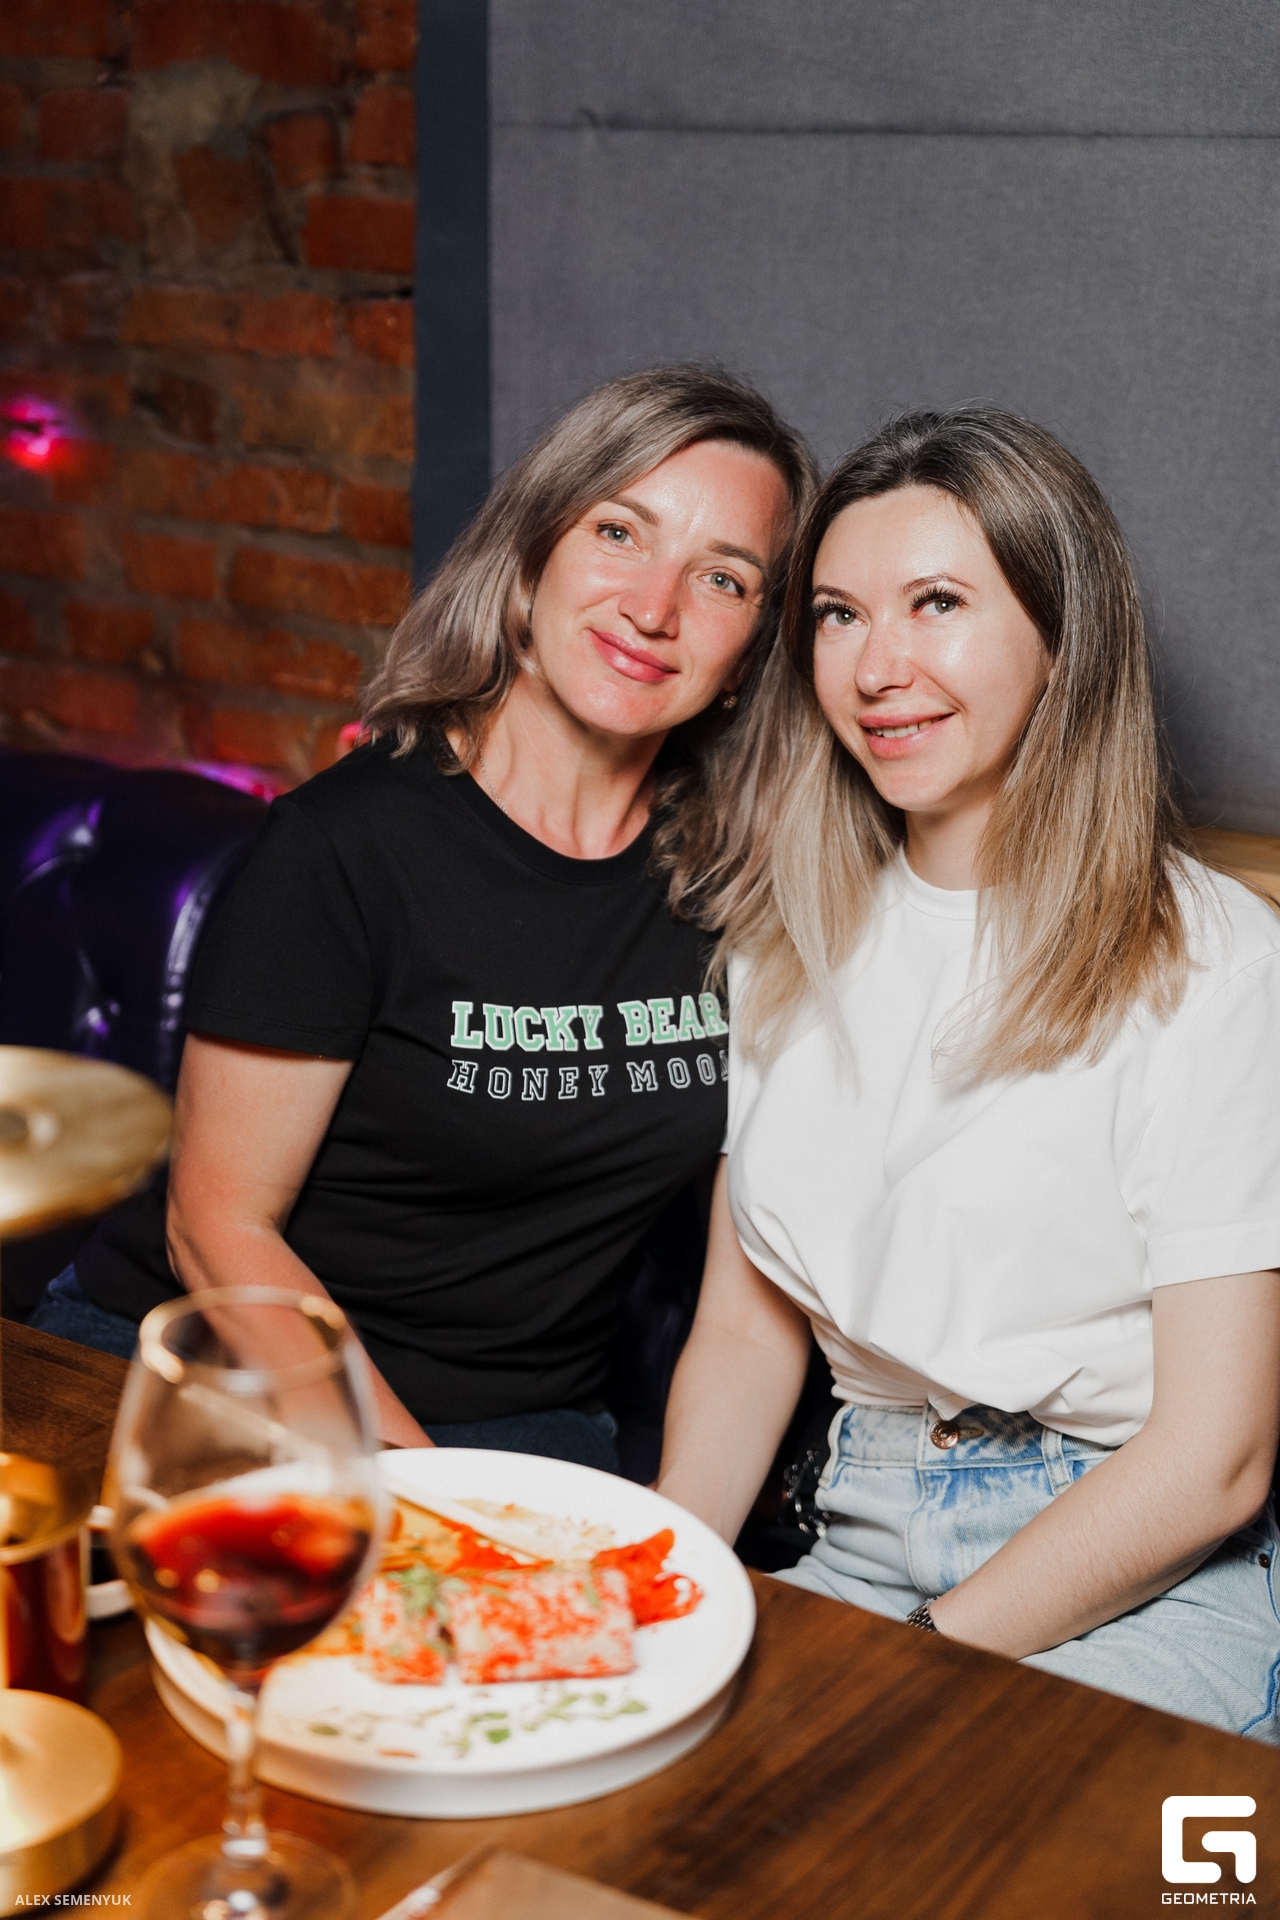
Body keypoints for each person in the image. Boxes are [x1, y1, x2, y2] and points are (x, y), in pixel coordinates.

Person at [33, 366, 815, 1468]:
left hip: (522, 1423)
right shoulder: (345, 847)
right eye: (618, 532)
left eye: (723, 579)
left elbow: (752, 1291)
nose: (654, 608)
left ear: (747, 661)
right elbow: (216, 1229)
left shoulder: (743, 889)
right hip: (215, 1374)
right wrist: (422, 1499)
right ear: (529, 562)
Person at [656, 406, 1280, 1737]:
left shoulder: (1215, 961)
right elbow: (743, 1336)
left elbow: (1215, 1460)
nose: (876, 666)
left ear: (1062, 636)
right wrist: (654, 1603)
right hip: (855, 1528)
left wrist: (911, 1667)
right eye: (837, 615)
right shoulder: (785, 935)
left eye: (936, 603)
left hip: (1131, 1568)